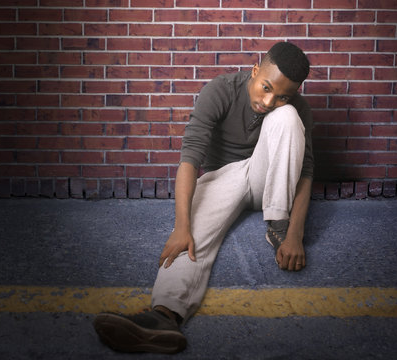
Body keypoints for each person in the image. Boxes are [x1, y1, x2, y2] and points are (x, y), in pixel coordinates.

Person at [93, 41, 314, 354]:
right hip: (225, 179)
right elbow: (189, 160)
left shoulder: (295, 108)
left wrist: (294, 235)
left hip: (270, 181)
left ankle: (276, 224)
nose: (268, 101)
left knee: (288, 117)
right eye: (265, 88)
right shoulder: (220, 90)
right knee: (192, 236)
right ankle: (164, 317)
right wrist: (181, 226)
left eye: (282, 96)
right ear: (255, 71)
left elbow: (305, 172)